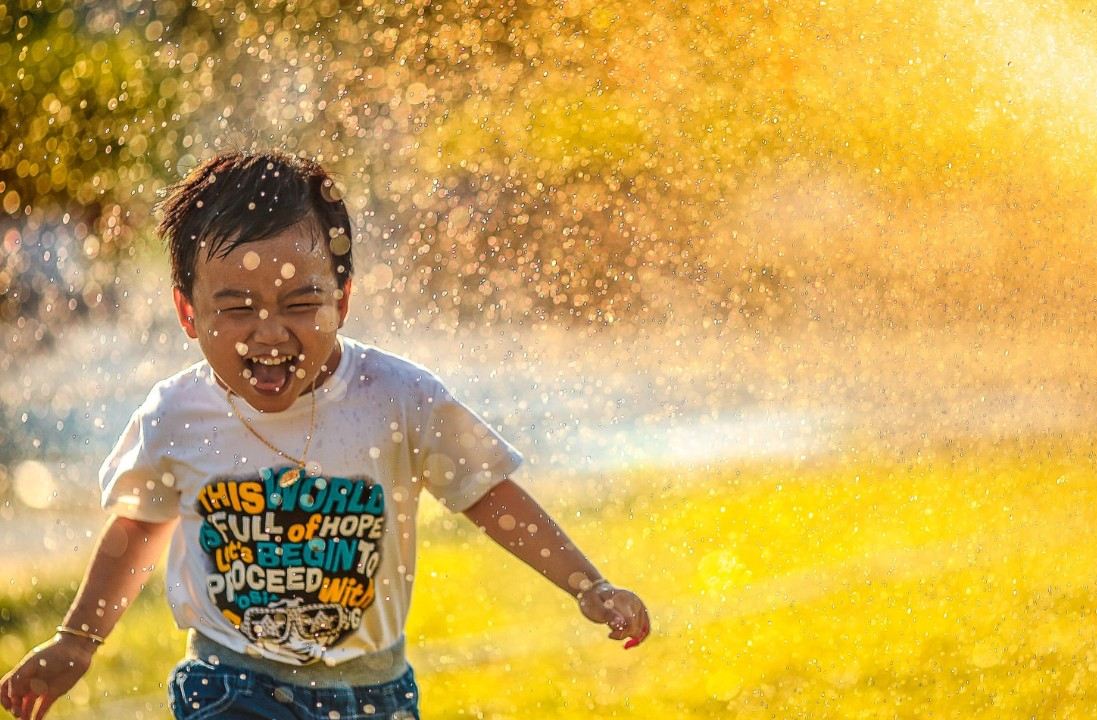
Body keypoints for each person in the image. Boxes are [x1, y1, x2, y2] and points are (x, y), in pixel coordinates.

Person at [0, 151, 650, 720]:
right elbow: (138, 528)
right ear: (188, 313)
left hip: (371, 695)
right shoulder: (178, 414)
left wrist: (588, 585)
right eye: (236, 308)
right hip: (229, 686)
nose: (269, 333)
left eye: (300, 304)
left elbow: (488, 492)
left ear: (342, 299)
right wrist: (77, 640)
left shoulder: (397, 397)